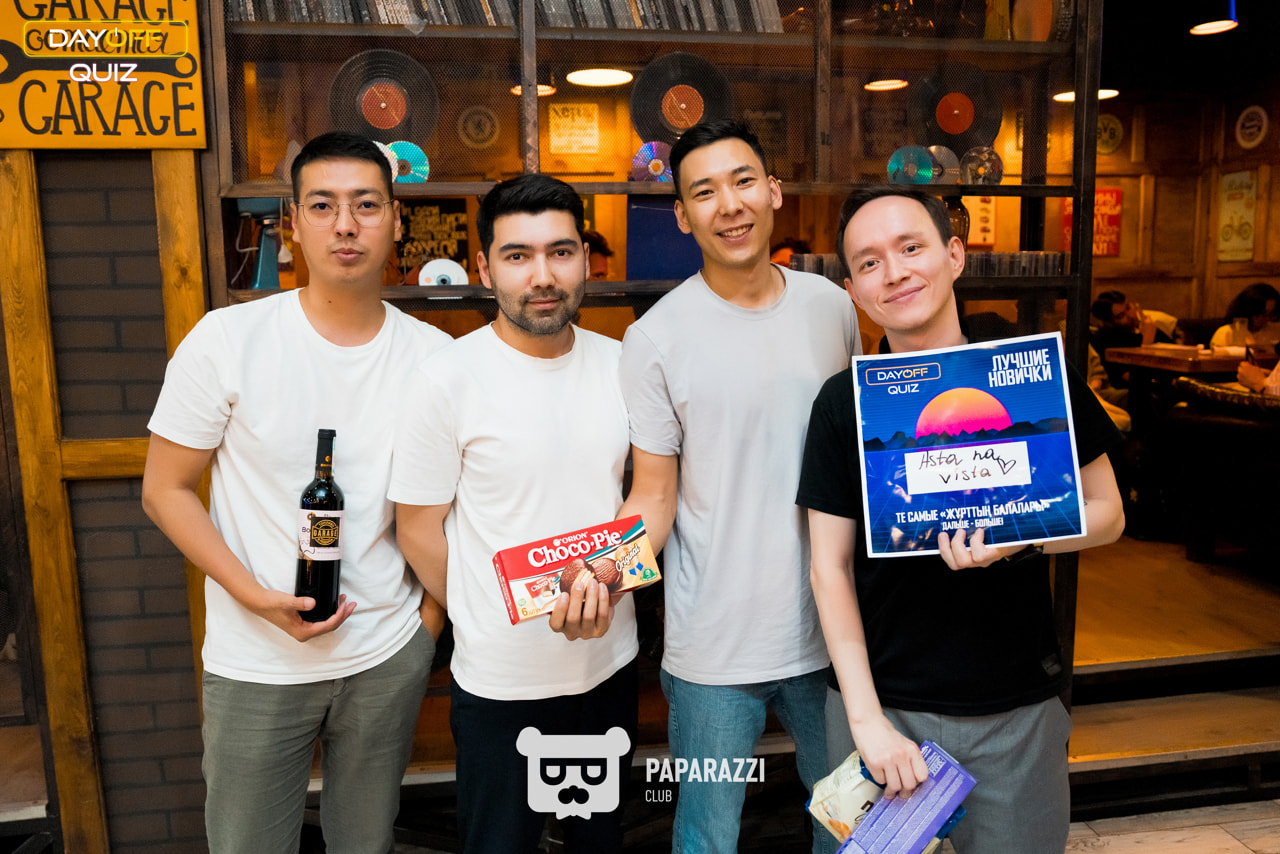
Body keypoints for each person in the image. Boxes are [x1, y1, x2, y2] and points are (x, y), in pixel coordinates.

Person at [142, 131, 452, 853]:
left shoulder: (436, 358)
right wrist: (254, 597)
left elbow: (449, 511)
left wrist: (426, 629)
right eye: (323, 205)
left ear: (396, 220)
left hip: (386, 654)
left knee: (366, 844)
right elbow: (166, 489)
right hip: (257, 661)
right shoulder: (227, 340)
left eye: (366, 205)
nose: (345, 225)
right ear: (293, 221)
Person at [798, 186, 1125, 853]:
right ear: (853, 289)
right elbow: (828, 568)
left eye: (911, 248)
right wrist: (867, 722)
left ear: (954, 255)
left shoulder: (1031, 374)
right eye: (869, 262)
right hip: (883, 706)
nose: (894, 272)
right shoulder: (843, 403)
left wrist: (1015, 540)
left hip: (1015, 706)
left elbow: (1109, 513)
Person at [618, 119, 860, 854]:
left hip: (832, 634)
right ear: (682, 215)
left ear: (774, 191)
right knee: (706, 836)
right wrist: (604, 573)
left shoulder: (833, 306)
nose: (729, 205)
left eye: (743, 180)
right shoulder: (654, 338)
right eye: (704, 192)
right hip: (712, 649)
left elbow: (859, 455)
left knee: (853, 829)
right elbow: (653, 495)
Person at [391, 174, 638, 854]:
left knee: (599, 845)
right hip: (499, 681)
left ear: (585, 258)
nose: (543, 275)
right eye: (518, 255)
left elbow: (647, 498)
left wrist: (604, 586)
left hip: (608, 665)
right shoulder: (446, 379)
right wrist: (487, 612)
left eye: (560, 252)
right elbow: (417, 528)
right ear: (485, 267)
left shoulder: (623, 366)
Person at [1089, 289, 1179, 387]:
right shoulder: (1108, 339)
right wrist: (1146, 344)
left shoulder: (1141, 328)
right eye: (1121, 316)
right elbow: (1133, 379)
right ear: (1109, 323)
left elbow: (1176, 353)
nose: (1131, 315)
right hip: (1140, 390)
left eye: (1128, 308)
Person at [1209, 282, 1280, 349]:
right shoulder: (1226, 333)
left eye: (1270, 313)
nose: (1266, 318)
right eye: (1261, 313)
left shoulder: (1274, 331)